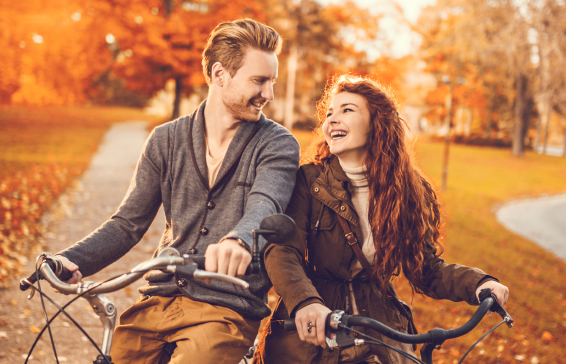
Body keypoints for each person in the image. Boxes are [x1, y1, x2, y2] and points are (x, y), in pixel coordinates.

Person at [56, 19, 300, 363]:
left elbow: (265, 204)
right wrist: (70, 259)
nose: (269, 94)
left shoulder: (276, 144)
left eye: (272, 81)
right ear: (219, 75)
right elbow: (127, 223)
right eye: (259, 80)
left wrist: (239, 241)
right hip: (158, 298)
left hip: (226, 308)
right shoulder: (164, 140)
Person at [254, 74, 509, 364]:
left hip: (380, 325)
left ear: (377, 122)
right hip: (313, 327)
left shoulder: (410, 190)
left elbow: (426, 269)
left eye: (347, 110)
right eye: (329, 113)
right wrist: (305, 302)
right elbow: (283, 250)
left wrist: (479, 284)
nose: (333, 119)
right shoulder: (309, 180)